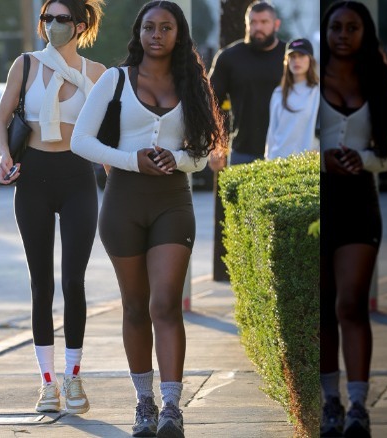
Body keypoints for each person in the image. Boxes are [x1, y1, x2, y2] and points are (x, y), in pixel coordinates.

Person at [71, 2, 226, 436]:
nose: (157, 34)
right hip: (123, 203)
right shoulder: (114, 81)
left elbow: (202, 152)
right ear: (138, 32)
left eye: (166, 27)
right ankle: (144, 404)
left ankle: (173, 408)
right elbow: (81, 140)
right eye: (149, 27)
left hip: (173, 204)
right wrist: (130, 160)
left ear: (179, 34)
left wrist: (175, 158)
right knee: (136, 306)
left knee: (164, 303)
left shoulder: (193, 83)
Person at [0, 0, 106, 415]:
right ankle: (46, 383)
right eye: (47, 18)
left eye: (60, 19)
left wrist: (122, 175)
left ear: (79, 24)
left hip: (78, 178)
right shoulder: (25, 65)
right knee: (42, 285)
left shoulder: (97, 74)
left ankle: (74, 377)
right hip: (33, 178)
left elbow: (108, 134)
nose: (52, 25)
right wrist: (4, 154)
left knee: (73, 282)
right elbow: (0, 121)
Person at [318, 2, 387, 437]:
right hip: (318, 201)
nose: (342, 34)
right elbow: (290, 136)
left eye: (352, 27)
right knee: (322, 309)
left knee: (351, 303)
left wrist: (365, 159)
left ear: (364, 32)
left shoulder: (377, 78)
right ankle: (329, 402)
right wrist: (321, 163)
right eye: (336, 27)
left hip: (358, 199)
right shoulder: (309, 78)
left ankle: (358, 406)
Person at [208, 0, 285, 169]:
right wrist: (215, 145)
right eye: (253, 22)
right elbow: (210, 103)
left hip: (284, 149)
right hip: (242, 151)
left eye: (264, 22)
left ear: (276, 24)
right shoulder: (229, 57)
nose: (258, 27)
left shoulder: (290, 58)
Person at [265, 37, 320, 159]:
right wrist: (268, 161)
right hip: (278, 163)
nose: (296, 61)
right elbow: (272, 133)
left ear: (310, 60)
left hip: (307, 166)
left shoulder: (318, 92)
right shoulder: (278, 93)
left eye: (301, 56)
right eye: (292, 57)